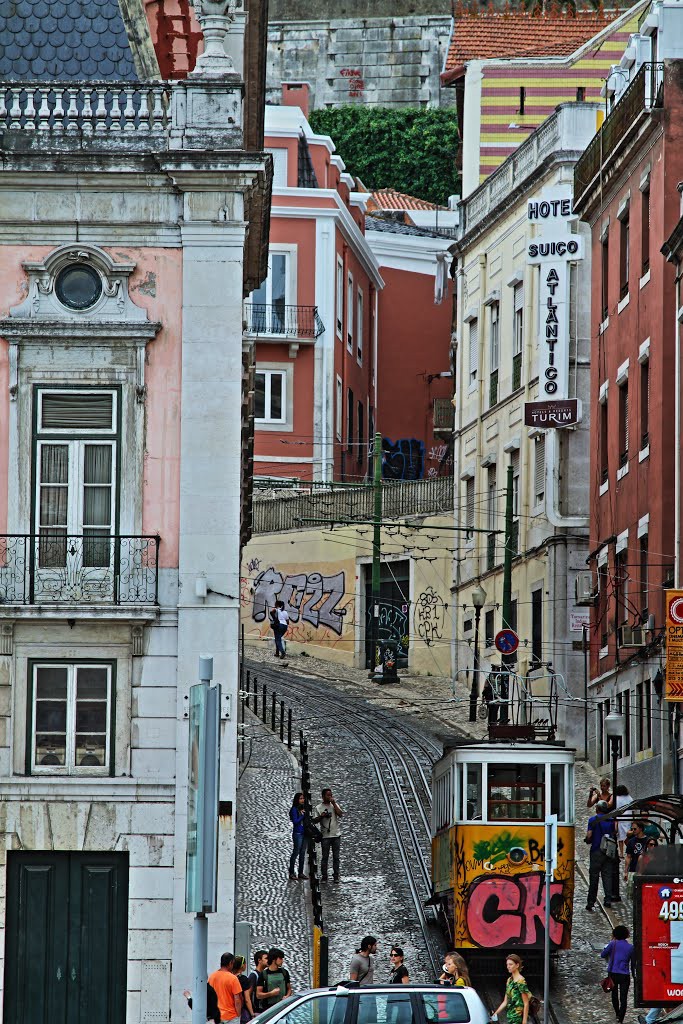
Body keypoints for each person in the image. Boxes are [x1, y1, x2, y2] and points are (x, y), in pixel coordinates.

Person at [585, 799, 617, 910]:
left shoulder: (593, 820)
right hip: (608, 851)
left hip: (596, 850)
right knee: (607, 876)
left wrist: (588, 839)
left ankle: (591, 901)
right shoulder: (611, 820)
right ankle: (608, 899)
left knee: (594, 877)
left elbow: (589, 835)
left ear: (597, 809)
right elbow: (614, 832)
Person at [601, 925, 635, 1024]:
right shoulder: (630, 947)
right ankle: (621, 1018)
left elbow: (603, 955)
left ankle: (617, 1014)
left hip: (613, 973)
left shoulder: (613, 944)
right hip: (624, 974)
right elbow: (633, 964)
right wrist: (634, 975)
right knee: (623, 998)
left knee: (614, 995)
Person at [491, 954, 530, 1024]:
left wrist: (524, 1021)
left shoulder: (521, 981)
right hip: (510, 1015)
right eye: (507, 964)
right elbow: (505, 1001)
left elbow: (526, 1003)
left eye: (510, 964)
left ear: (517, 965)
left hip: (518, 1017)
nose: (508, 966)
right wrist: (495, 1014)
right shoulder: (509, 980)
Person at [316, 787, 343, 882]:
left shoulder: (334, 805)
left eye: (331, 795)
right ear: (323, 796)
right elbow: (315, 821)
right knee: (325, 857)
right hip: (325, 836)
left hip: (336, 835)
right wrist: (321, 816)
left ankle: (336, 875)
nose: (330, 797)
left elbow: (340, 814)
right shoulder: (319, 807)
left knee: (336, 857)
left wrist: (334, 803)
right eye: (328, 795)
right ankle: (324, 876)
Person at [208, 953, 243, 1024]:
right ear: (230, 963)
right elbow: (237, 1000)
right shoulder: (233, 978)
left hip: (217, 1017)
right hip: (231, 1017)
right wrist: (238, 1015)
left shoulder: (212, 977)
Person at [624, 820, 648, 895]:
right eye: (632, 829)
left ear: (640, 828)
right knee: (632, 893)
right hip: (633, 870)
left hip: (645, 871)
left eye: (635, 829)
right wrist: (625, 871)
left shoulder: (648, 841)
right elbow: (628, 857)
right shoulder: (631, 841)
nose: (633, 831)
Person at [289, 792, 308, 881]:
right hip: (297, 834)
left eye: (303, 798)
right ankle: (291, 872)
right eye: (300, 798)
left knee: (302, 853)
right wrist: (302, 816)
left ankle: (300, 872)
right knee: (296, 852)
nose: (302, 800)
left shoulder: (303, 808)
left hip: (304, 833)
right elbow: (295, 821)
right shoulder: (294, 809)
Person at [232, 957, 254, 1023]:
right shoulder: (243, 979)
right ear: (242, 965)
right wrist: (252, 1013)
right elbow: (247, 999)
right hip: (241, 1010)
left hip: (230, 1009)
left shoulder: (230, 978)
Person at [247, 951, 268, 1015]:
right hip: (256, 1012)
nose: (268, 960)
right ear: (259, 960)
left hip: (264, 1011)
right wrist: (252, 1013)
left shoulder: (265, 974)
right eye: (266, 958)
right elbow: (247, 995)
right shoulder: (254, 975)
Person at [614, 784, 631, 858]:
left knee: (620, 838)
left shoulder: (617, 798)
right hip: (629, 819)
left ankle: (621, 853)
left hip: (620, 819)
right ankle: (629, 851)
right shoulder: (629, 798)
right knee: (628, 837)